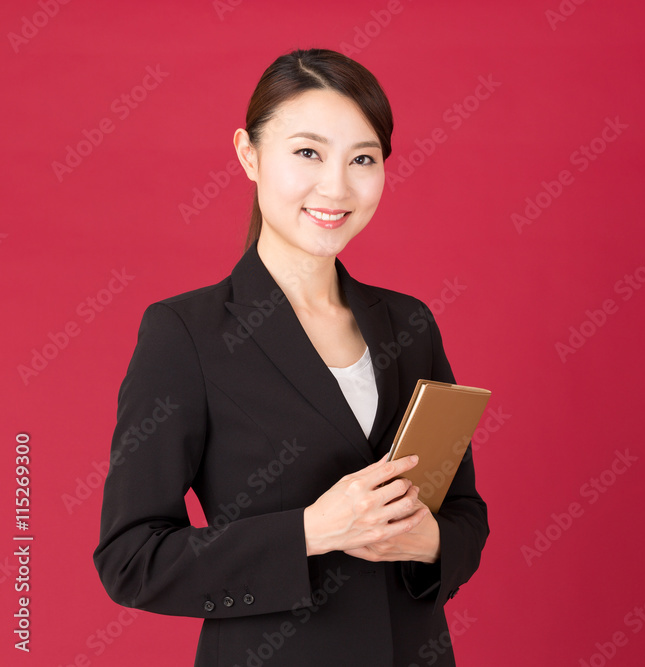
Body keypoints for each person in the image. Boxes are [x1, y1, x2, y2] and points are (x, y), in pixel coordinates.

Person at [93, 48, 488, 667]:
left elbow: (465, 513)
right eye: (308, 153)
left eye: (363, 159)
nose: (336, 186)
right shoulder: (184, 333)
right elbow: (131, 560)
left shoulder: (410, 323)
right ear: (249, 156)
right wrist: (312, 531)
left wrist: (429, 540)